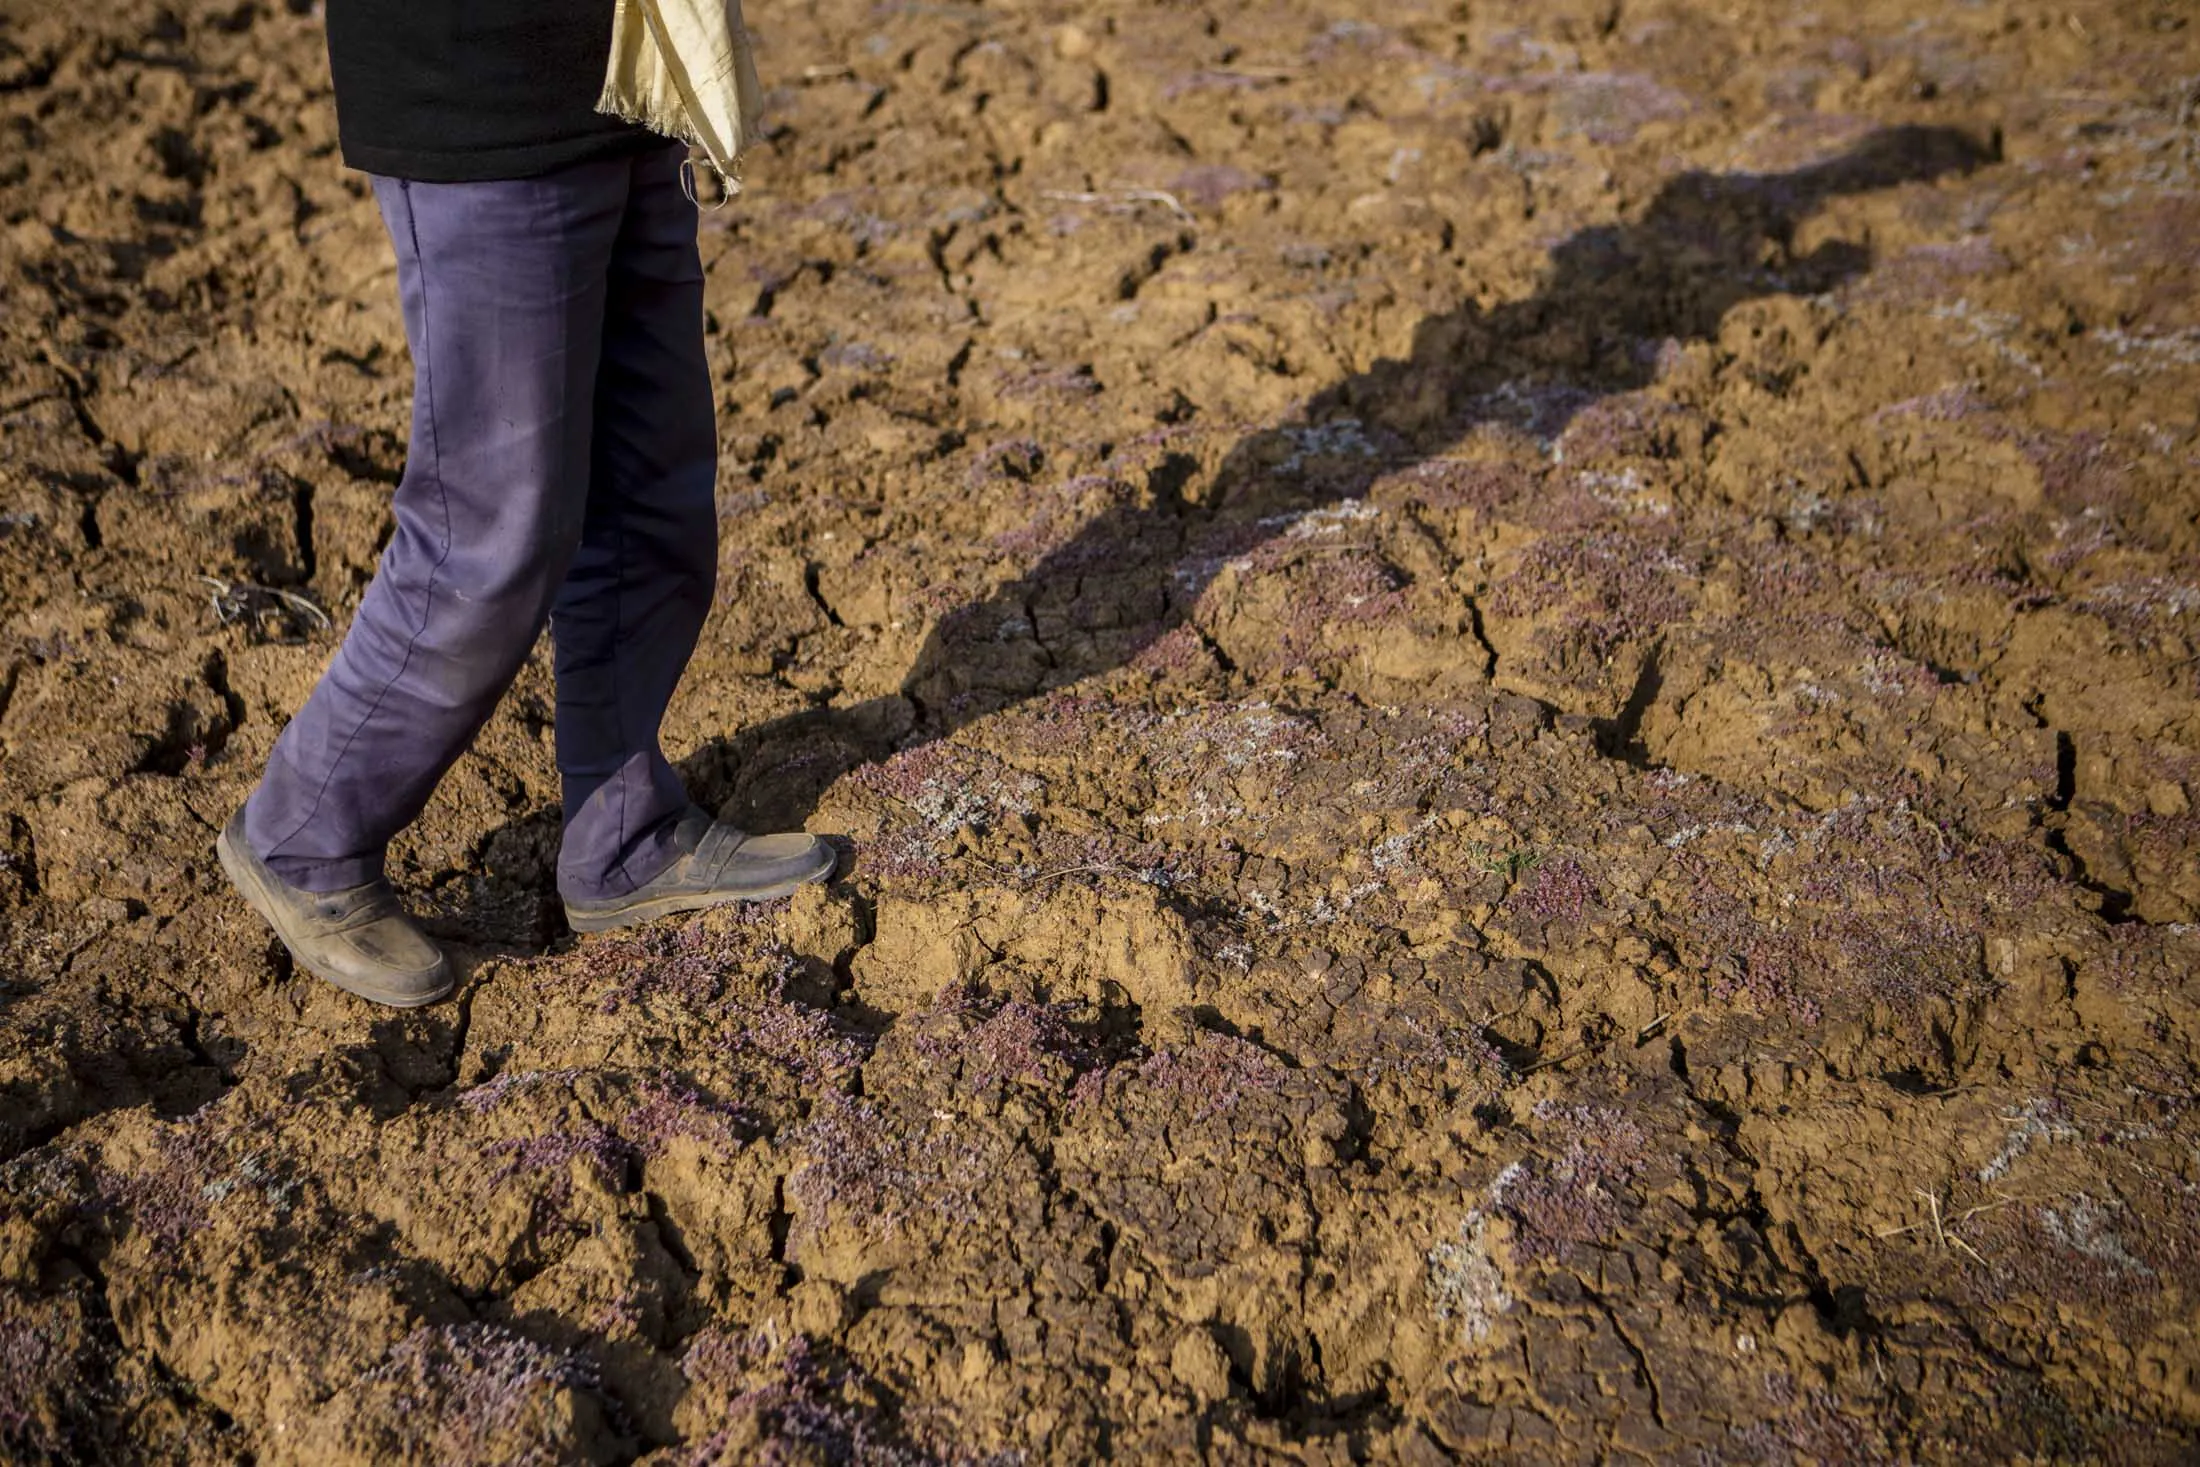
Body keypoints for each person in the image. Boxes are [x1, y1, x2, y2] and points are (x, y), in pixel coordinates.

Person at [216, 0, 834, 1009]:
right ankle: (304, 834)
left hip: (631, 81)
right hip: (479, 97)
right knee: (493, 532)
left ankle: (624, 836)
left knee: (651, 486)